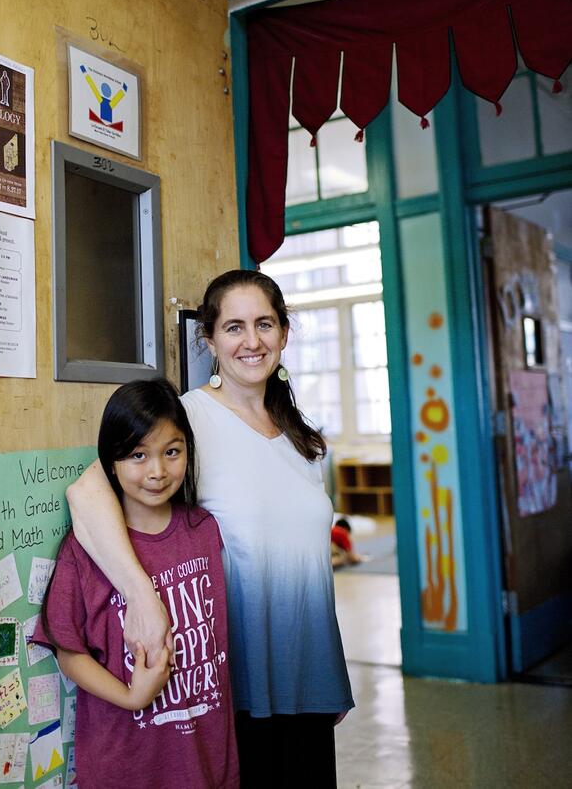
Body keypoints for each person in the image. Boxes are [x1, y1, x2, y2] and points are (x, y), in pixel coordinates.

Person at [67, 270, 354, 788]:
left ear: (284, 333)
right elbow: (86, 492)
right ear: (210, 339)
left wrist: (326, 672)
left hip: (305, 675)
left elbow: (307, 560)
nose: (252, 341)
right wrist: (142, 597)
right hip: (232, 685)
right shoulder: (189, 420)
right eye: (234, 327)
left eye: (265, 324)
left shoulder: (299, 436)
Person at [33, 379, 239, 789]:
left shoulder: (204, 530)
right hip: (126, 764)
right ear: (111, 462)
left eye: (172, 452)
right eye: (137, 455)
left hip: (206, 759)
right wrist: (133, 696)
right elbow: (68, 653)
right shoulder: (85, 549)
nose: (157, 471)